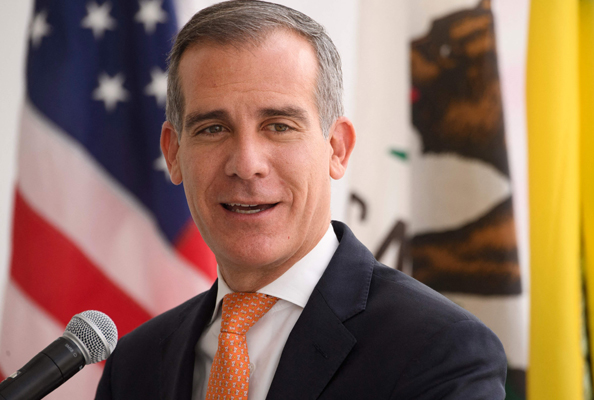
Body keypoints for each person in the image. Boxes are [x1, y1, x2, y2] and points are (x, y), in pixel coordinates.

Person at [95, 1, 507, 399]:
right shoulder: (134, 366)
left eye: (278, 126)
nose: (246, 164)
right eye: (213, 129)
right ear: (173, 153)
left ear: (337, 148)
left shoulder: (438, 351)